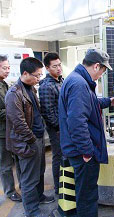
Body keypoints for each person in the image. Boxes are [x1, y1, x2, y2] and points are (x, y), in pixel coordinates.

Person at [58, 49, 114, 217]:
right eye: (103, 71)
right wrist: (87, 151)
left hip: (76, 149)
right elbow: (77, 122)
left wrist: (107, 102)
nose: (101, 75)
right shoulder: (80, 84)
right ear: (97, 66)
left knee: (83, 193)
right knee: (87, 196)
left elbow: (87, 105)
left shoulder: (77, 79)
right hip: (82, 152)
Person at [5, 57, 54, 217]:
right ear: (25, 73)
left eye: (40, 75)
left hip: (37, 138)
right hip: (26, 142)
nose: (38, 79)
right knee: (28, 179)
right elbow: (18, 123)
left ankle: (39, 196)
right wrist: (32, 140)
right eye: (36, 75)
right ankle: (32, 211)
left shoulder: (31, 88)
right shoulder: (14, 94)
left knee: (39, 172)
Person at [39, 52, 63, 195]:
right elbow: (48, 112)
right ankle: (58, 189)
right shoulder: (46, 86)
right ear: (47, 68)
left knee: (64, 157)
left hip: (63, 128)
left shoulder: (60, 81)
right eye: (55, 66)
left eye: (59, 65)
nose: (59, 68)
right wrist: (59, 128)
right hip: (56, 130)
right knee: (58, 157)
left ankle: (66, 186)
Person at [0, 55, 22, 202]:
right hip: (1, 133)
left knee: (18, 160)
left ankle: (23, 186)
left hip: (10, 130)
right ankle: (9, 191)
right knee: (6, 164)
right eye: (4, 68)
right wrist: (14, 110)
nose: (8, 70)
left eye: (9, 67)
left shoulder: (4, 84)